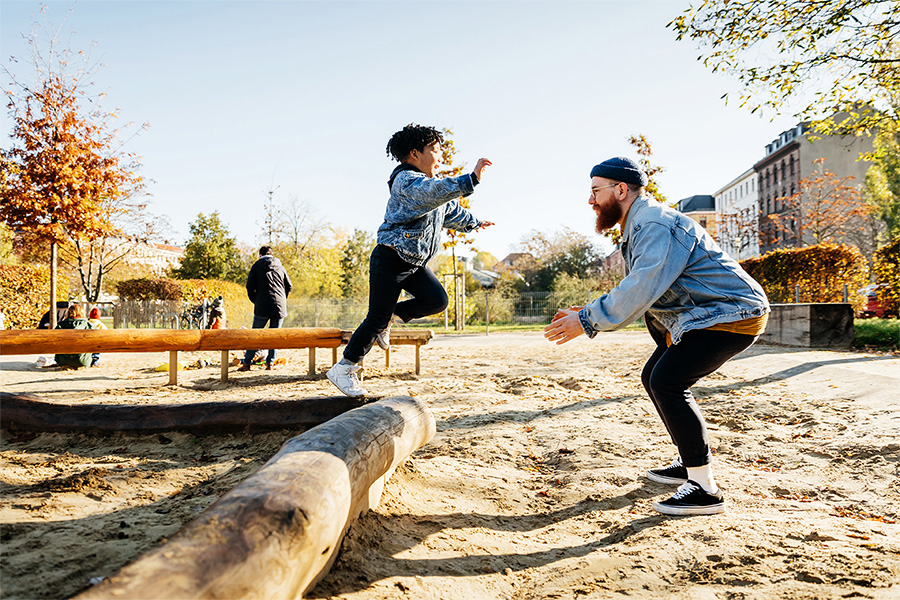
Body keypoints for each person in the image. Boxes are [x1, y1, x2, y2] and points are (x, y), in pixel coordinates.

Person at [543, 157, 770, 516]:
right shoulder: (639, 224)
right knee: (655, 376)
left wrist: (586, 320)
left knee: (667, 381)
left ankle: (705, 489)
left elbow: (642, 285)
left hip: (731, 314)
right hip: (706, 316)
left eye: (595, 192)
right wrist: (587, 315)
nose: (590, 201)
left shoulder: (652, 223)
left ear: (620, 190)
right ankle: (689, 462)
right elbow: (653, 292)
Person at [327, 123, 494, 397]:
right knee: (376, 318)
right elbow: (436, 192)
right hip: (390, 259)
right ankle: (345, 367)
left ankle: (395, 316)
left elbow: (449, 210)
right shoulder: (407, 182)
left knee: (437, 300)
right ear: (415, 154)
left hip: (413, 263)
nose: (439, 157)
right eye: (435, 151)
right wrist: (470, 179)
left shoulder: (427, 189)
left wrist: (475, 222)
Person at [239, 246, 292, 371]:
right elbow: (289, 286)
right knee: (275, 336)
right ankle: (270, 364)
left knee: (255, 335)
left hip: (262, 306)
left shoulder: (257, 266)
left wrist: (255, 301)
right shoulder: (281, 267)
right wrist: (282, 300)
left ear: (260, 255)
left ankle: (247, 363)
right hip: (279, 307)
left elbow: (249, 287)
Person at [54, 304, 96, 368]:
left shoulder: (61, 325)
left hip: (63, 360)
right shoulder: (89, 325)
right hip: (84, 361)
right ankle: (94, 362)